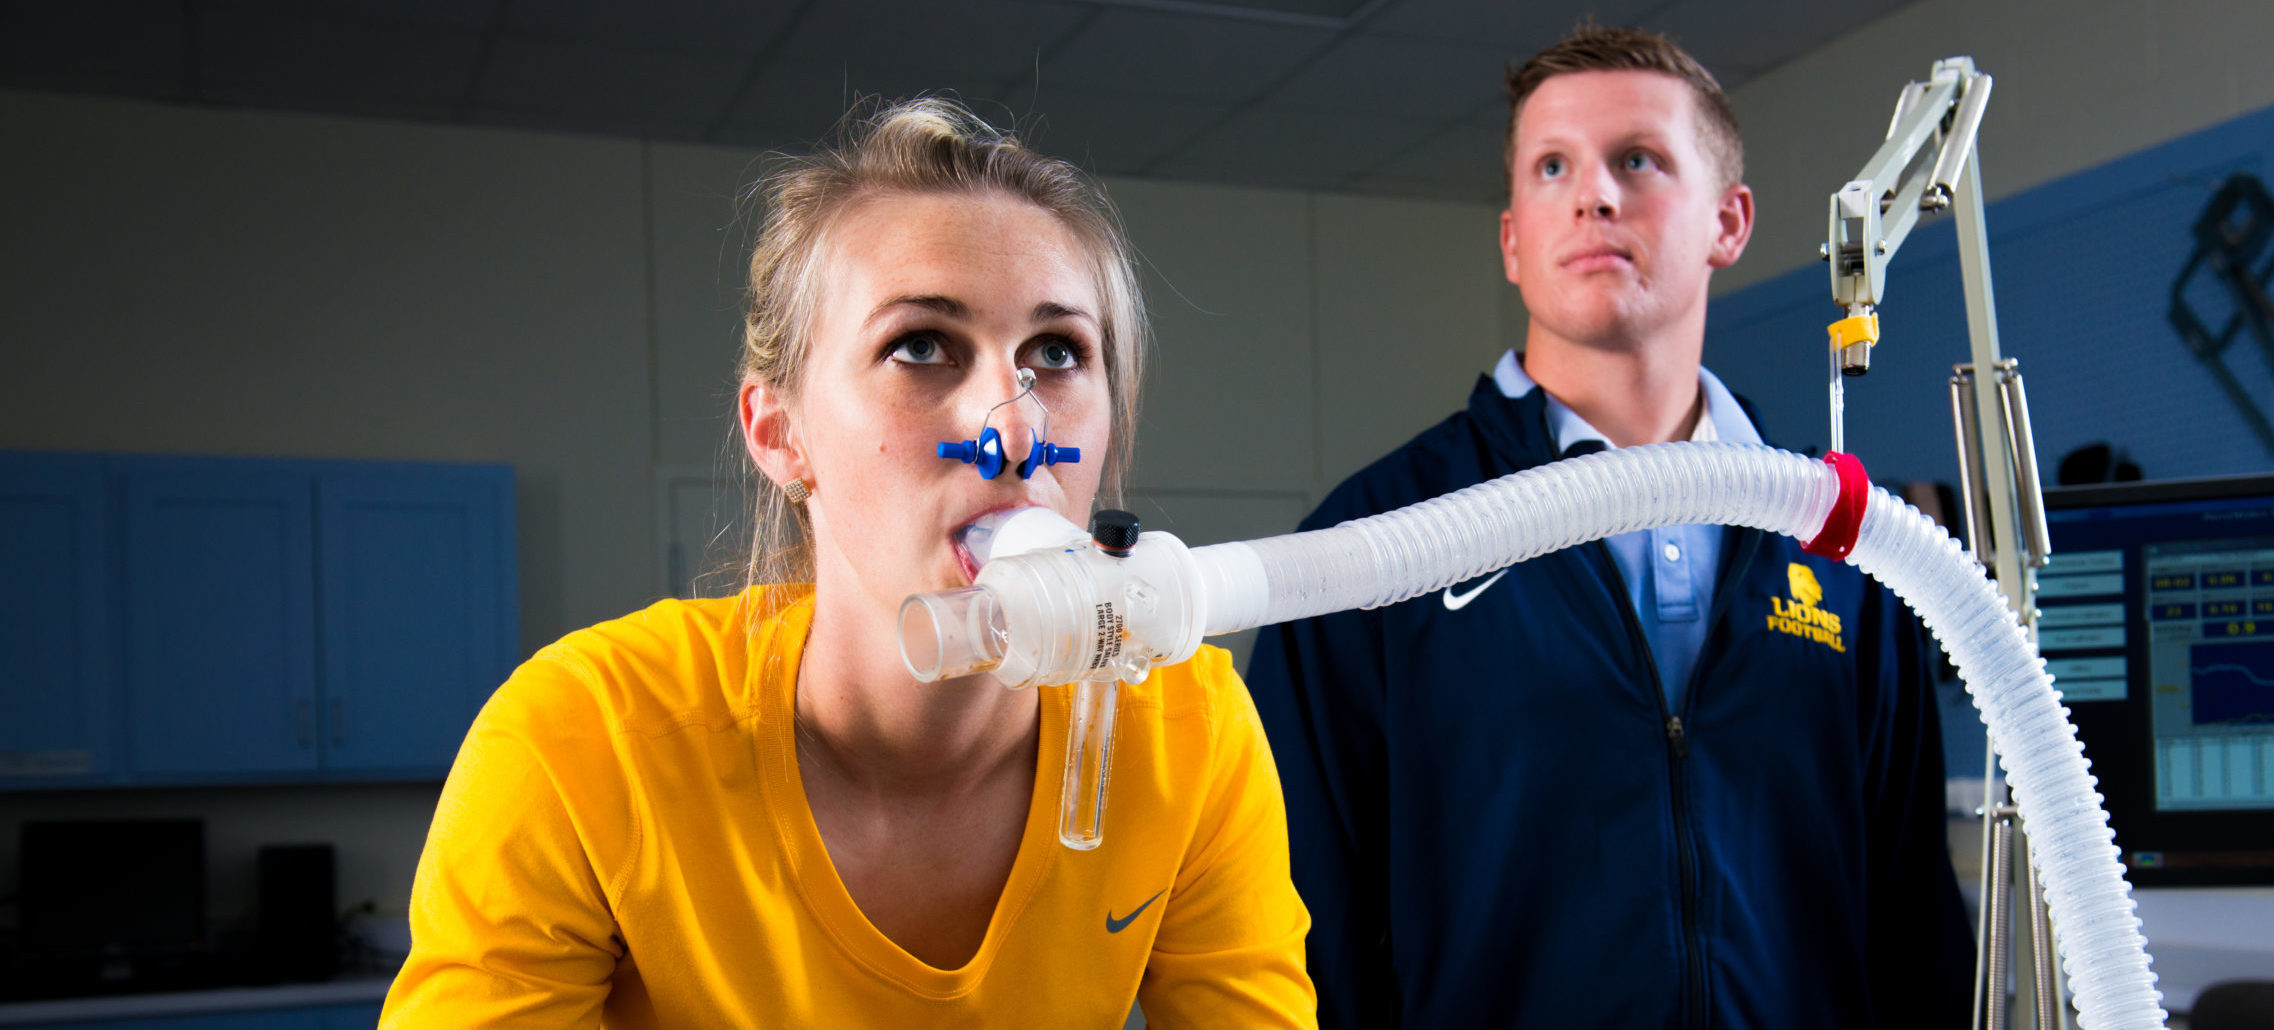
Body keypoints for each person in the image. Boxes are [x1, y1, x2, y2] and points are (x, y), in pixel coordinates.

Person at [383, 98, 1316, 1028]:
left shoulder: (1188, 732)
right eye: (922, 347)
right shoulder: (582, 744)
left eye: (1057, 352)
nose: (1017, 432)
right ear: (780, 432)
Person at [1244, 25, 1973, 1029]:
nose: (1594, 195)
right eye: (1553, 167)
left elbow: (1911, 924)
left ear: (1729, 221)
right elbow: (1301, 935)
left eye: (1638, 160)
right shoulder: (1373, 545)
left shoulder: (1845, 548)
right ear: (1510, 240)